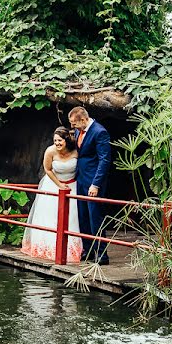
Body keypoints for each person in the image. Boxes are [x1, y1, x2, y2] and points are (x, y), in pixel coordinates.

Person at [20, 127, 82, 263]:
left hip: (72, 185)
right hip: (54, 184)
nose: (57, 143)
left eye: (60, 140)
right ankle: (48, 248)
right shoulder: (50, 151)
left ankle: (72, 249)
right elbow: (48, 169)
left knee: (72, 217)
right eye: (55, 141)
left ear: (66, 140)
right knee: (50, 217)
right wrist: (59, 185)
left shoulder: (76, 151)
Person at [68, 106, 112, 264]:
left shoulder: (100, 132)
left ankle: (101, 254)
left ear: (83, 119)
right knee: (83, 217)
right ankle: (87, 250)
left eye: (74, 123)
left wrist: (96, 184)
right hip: (81, 179)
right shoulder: (80, 131)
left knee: (95, 218)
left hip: (93, 182)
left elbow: (104, 160)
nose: (72, 126)